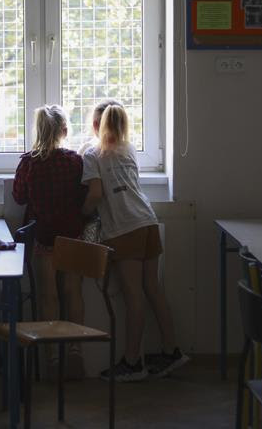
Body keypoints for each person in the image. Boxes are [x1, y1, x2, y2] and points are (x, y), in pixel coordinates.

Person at [81, 100, 190, 382]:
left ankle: (132, 362)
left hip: (124, 228)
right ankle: (172, 351)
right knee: (153, 289)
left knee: (133, 295)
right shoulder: (129, 148)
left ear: (96, 125)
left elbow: (94, 195)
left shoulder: (92, 154)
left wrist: (81, 214)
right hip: (148, 220)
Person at [12, 104, 87, 380]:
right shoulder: (74, 161)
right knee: (73, 292)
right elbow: (82, 196)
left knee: (48, 295)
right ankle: (77, 350)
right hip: (72, 236)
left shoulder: (29, 162)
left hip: (44, 237)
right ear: (64, 131)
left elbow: (19, 196)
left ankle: (52, 356)